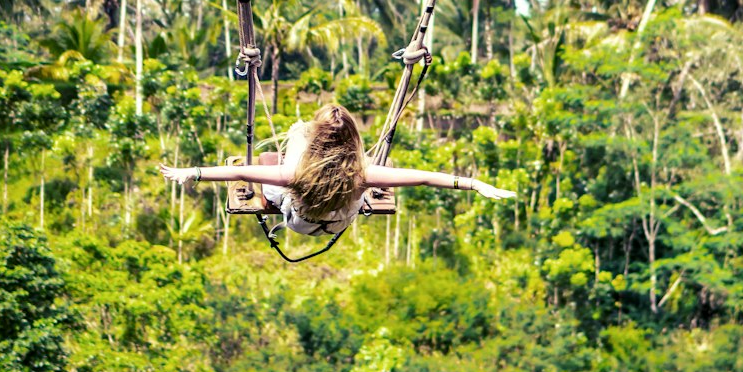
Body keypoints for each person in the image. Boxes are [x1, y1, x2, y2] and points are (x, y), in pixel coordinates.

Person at [160, 102, 514, 238]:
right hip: (338, 222)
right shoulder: (363, 173)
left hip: (299, 223)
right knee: (351, 173)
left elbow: (239, 174)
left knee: (293, 136)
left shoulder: (295, 172)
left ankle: (302, 131)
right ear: (351, 138)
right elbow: (424, 177)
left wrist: (192, 172)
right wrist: (475, 184)